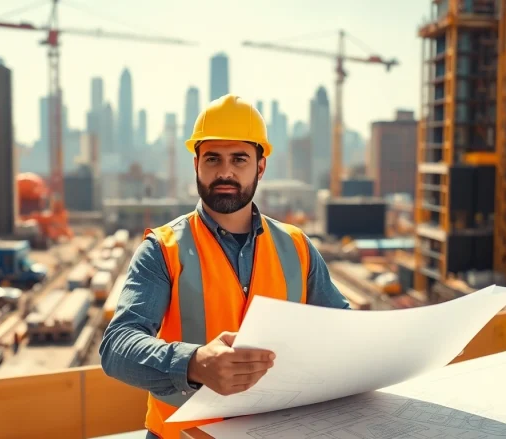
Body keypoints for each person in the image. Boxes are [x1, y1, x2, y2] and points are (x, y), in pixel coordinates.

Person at [100, 94, 351, 439]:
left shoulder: (297, 247)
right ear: (196, 164)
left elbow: (344, 331)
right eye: (213, 159)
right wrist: (194, 363)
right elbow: (117, 347)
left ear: (260, 167)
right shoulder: (163, 249)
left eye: (240, 159)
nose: (225, 172)